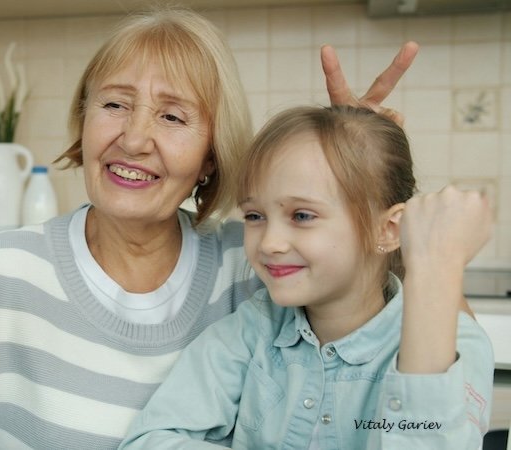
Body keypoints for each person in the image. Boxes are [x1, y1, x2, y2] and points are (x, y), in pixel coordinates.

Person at [0, 8, 422, 450]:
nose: (134, 137)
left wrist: (352, 182)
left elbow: (396, 343)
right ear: (82, 123)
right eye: (115, 105)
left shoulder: (258, 269)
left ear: (213, 156)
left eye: (173, 116)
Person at [119, 105, 494, 450]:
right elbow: (149, 441)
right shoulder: (252, 330)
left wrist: (434, 267)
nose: (270, 243)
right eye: (254, 216)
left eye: (302, 216)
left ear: (388, 230)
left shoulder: (458, 343)